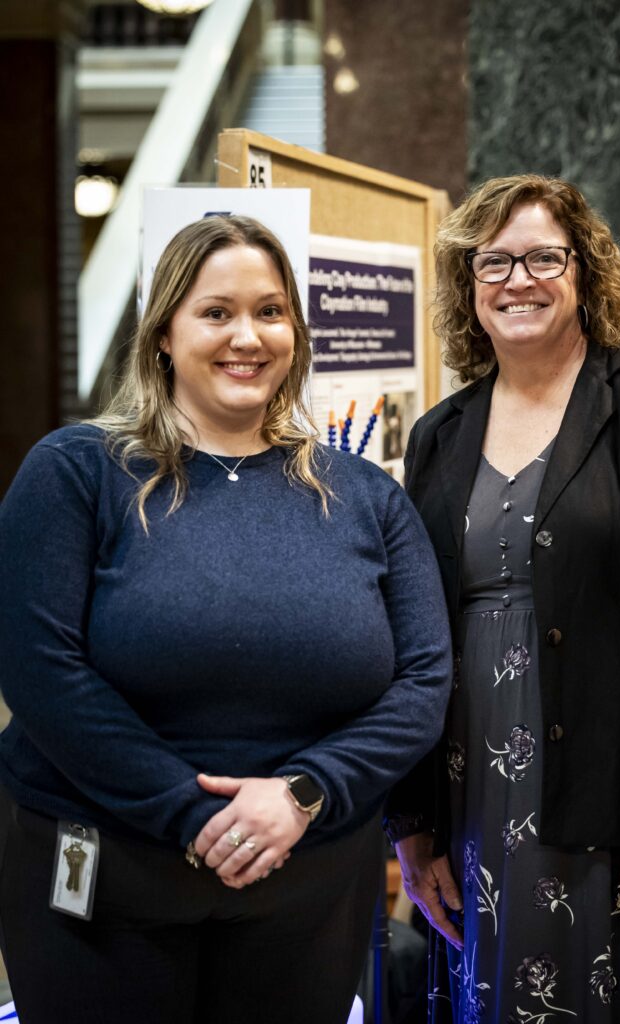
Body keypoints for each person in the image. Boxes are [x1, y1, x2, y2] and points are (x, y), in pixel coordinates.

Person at [0, 215, 452, 1024]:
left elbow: (424, 679)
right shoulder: (75, 473)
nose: (248, 336)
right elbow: (40, 669)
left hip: (308, 892)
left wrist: (305, 792)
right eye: (216, 312)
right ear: (164, 332)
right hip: (108, 890)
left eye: (271, 312)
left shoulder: (364, 496)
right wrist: (195, 814)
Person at [384, 175, 620, 1022]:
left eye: (543, 257)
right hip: (470, 795)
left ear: (584, 273)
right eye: (492, 262)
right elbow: (414, 631)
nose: (517, 280)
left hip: (616, 794)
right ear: (469, 287)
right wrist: (414, 824)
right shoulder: (440, 433)